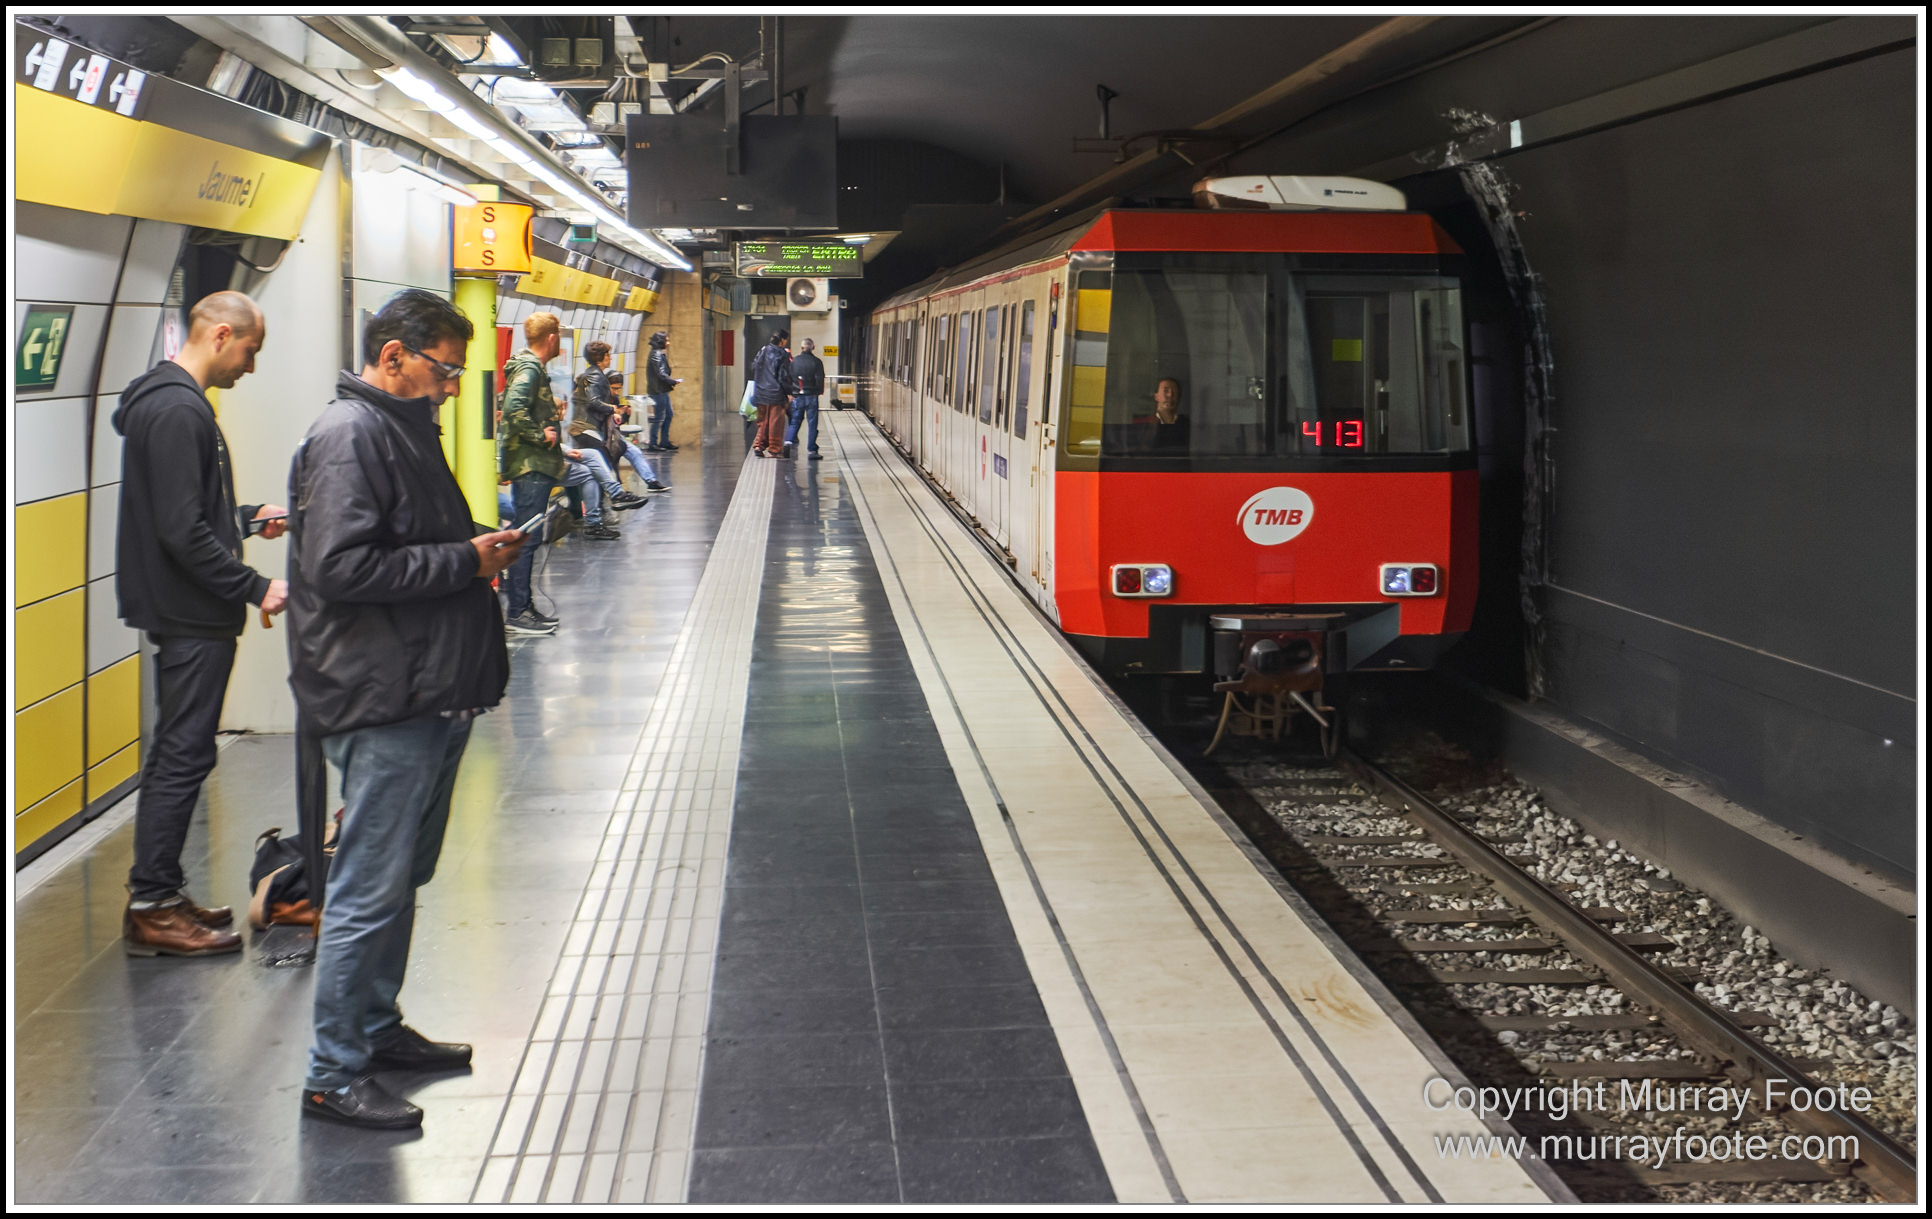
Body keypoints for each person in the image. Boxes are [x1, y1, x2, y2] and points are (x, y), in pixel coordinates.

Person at [287, 288, 527, 1130]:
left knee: (398, 880)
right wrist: (465, 559)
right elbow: (342, 570)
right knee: (366, 887)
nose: (454, 387)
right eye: (446, 370)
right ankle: (332, 1071)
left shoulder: (397, 429)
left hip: (422, 688)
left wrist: (470, 554)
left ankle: (377, 1030)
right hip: (381, 692)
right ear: (395, 357)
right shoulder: (351, 436)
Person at [113, 290, 289, 957]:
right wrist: (256, 586)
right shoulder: (178, 410)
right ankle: (153, 905)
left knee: (180, 753)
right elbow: (181, 531)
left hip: (188, 609)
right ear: (220, 335)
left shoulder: (172, 405)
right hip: (190, 613)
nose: (250, 365)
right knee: (182, 755)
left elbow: (188, 513)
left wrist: (244, 518)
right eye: (250, 349)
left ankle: (160, 889)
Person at [498, 312, 568, 634]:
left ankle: (522, 605)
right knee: (526, 538)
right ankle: (517, 611)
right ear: (552, 338)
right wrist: (542, 436)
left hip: (535, 465)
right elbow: (513, 408)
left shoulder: (530, 367)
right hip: (532, 465)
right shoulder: (529, 369)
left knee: (527, 535)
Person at [606, 372, 672, 493]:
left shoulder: (614, 398)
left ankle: (651, 481)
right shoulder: (600, 400)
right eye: (614, 388)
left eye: (618, 389)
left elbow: (618, 423)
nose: (616, 392)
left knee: (635, 452)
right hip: (605, 437)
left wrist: (625, 414)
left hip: (614, 436)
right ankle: (616, 487)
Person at [749, 329, 793, 457]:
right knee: (775, 422)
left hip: (761, 393)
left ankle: (759, 445)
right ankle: (774, 448)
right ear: (783, 340)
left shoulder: (763, 350)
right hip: (776, 394)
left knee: (762, 421)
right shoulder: (782, 354)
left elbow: (754, 367)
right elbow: (783, 376)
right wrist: (789, 392)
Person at [784, 337, 825, 460]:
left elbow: (789, 378)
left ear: (802, 348)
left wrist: (792, 392)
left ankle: (788, 442)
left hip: (798, 396)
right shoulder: (817, 362)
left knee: (795, 421)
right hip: (812, 395)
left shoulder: (794, 361)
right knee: (812, 423)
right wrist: (819, 391)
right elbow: (820, 379)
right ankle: (812, 450)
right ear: (812, 347)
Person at [643, 330, 682, 451]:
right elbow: (660, 373)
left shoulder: (657, 353)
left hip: (661, 390)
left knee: (668, 415)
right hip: (658, 391)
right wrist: (672, 381)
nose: (668, 343)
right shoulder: (656, 355)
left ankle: (664, 441)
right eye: (667, 340)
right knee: (659, 417)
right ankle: (653, 443)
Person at [1140, 376, 1191, 451]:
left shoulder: (1187, 425)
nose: (1170, 395)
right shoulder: (1145, 423)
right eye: (1166, 390)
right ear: (1156, 396)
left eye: (1175, 392)